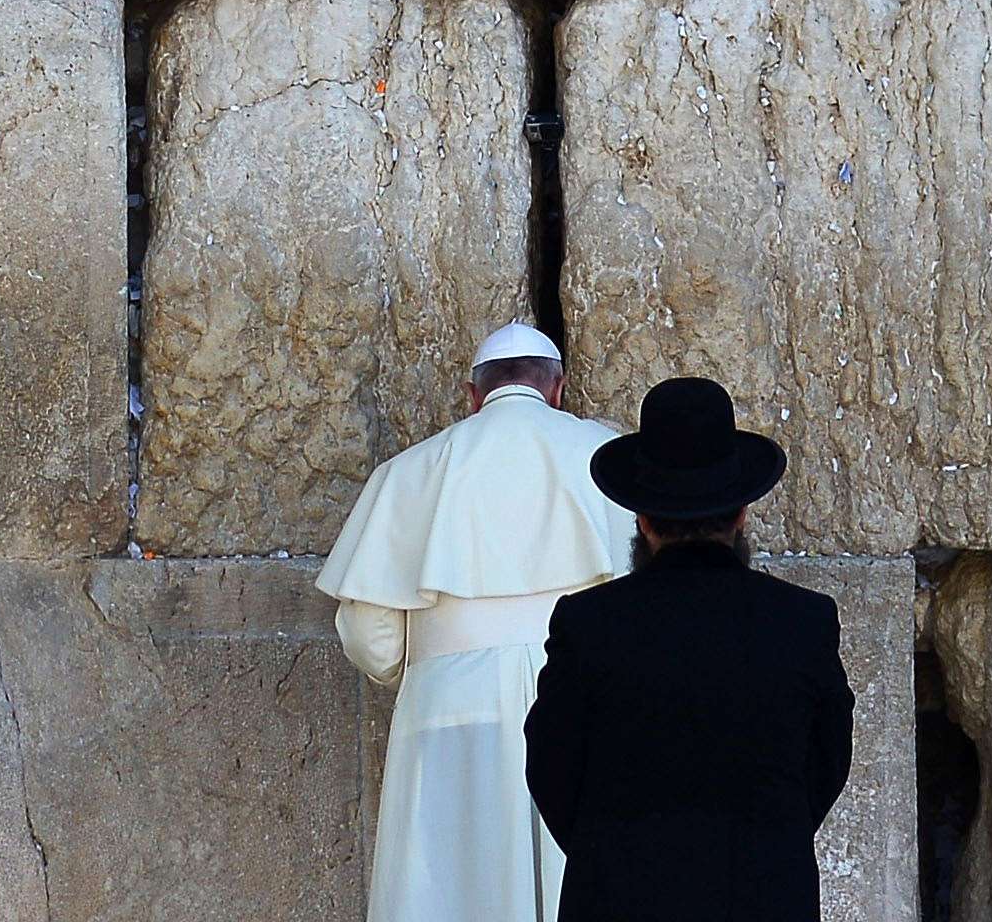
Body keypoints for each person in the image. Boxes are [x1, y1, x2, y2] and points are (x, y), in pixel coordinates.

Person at [321, 325, 639, 922]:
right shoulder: (610, 460)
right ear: (558, 390)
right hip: (586, 704)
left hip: (449, 707)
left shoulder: (410, 471)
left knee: (452, 890)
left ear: (472, 395)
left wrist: (414, 666)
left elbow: (370, 633)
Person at [522, 378, 853, 922]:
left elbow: (552, 767)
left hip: (618, 897)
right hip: (765, 894)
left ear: (643, 520)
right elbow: (827, 760)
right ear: (742, 513)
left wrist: (611, 851)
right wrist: (767, 840)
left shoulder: (587, 624)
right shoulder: (804, 621)